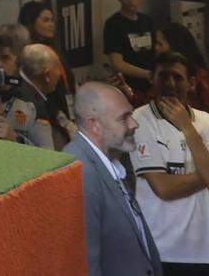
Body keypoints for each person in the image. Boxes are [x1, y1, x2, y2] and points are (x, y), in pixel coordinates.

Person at [131, 51, 209, 276]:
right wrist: (206, 173)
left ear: (192, 83)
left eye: (177, 77)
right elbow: (164, 188)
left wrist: (186, 127)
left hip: (204, 247)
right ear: (151, 79)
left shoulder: (208, 122)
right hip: (158, 247)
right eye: (163, 76)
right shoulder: (139, 120)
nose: (170, 84)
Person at [69, 81, 164, 276]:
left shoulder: (108, 162)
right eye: (124, 118)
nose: (134, 124)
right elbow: (86, 266)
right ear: (94, 124)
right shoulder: (80, 173)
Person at [106, 0, 157, 103]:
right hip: (129, 88)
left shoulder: (147, 21)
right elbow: (118, 64)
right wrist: (149, 74)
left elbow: (157, 51)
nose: (130, 0)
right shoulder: (113, 24)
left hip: (152, 88)